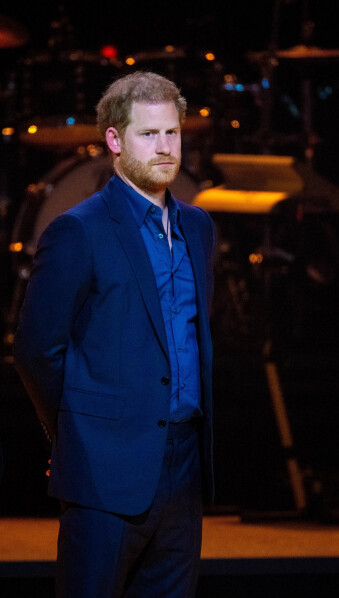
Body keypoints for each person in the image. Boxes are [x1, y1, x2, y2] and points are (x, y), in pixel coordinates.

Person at [13, 70, 216, 598]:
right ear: (114, 141)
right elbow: (37, 350)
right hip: (104, 468)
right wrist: (76, 434)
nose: (165, 147)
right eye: (148, 134)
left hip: (183, 464)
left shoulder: (198, 227)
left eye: (172, 133)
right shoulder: (78, 230)